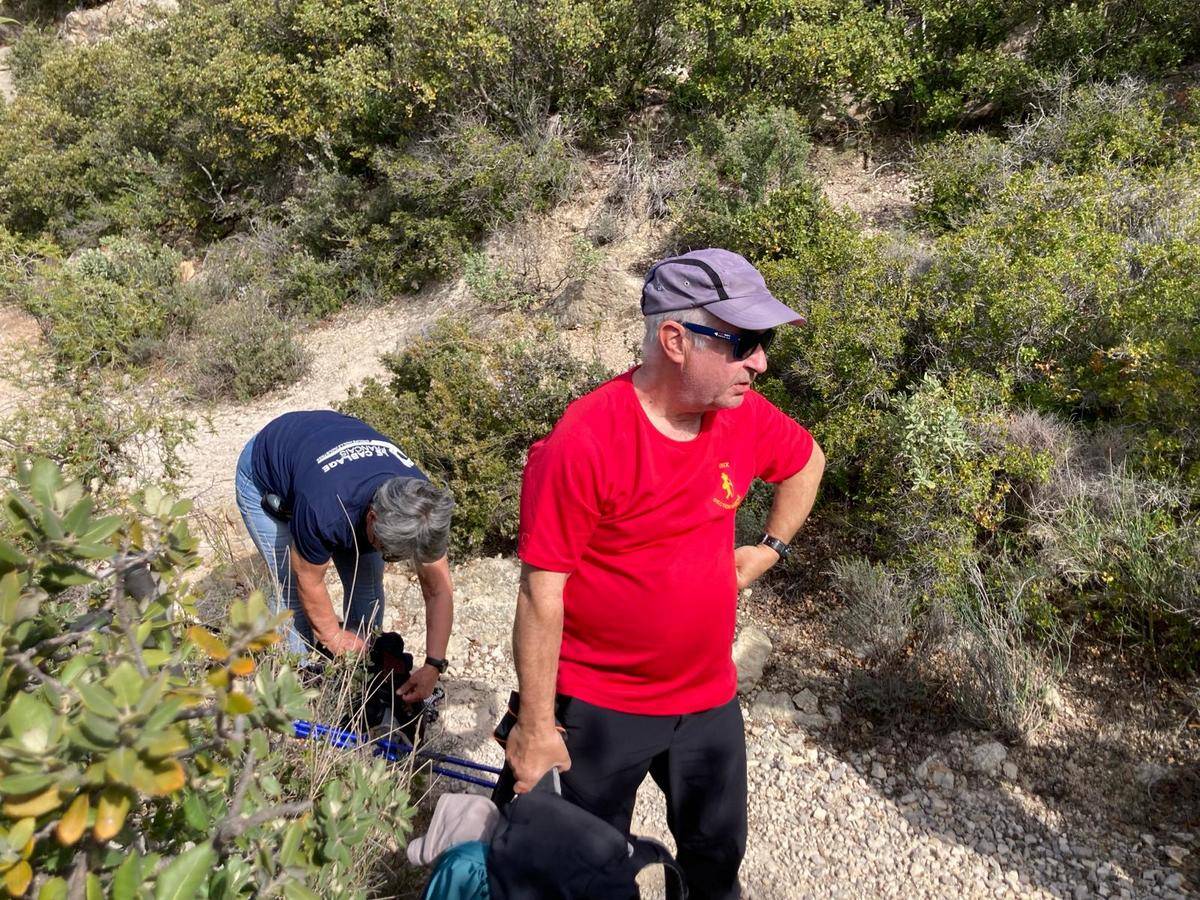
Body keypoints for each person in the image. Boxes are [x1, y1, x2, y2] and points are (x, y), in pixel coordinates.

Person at [499, 248, 826, 899]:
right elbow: (542, 594)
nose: (760, 361)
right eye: (744, 342)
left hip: (707, 696)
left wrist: (768, 550)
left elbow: (805, 460)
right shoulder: (584, 442)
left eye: (762, 343)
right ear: (674, 339)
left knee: (715, 857)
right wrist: (536, 728)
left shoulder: (740, 415)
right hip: (600, 703)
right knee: (577, 868)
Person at [234, 410, 455, 703]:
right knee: (288, 589)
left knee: (367, 582)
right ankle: (293, 688)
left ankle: (357, 679)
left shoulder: (423, 508)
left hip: (326, 461)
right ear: (373, 518)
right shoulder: (326, 510)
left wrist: (433, 665)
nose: (388, 556)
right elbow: (308, 581)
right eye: (386, 547)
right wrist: (334, 638)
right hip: (265, 470)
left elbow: (438, 589)